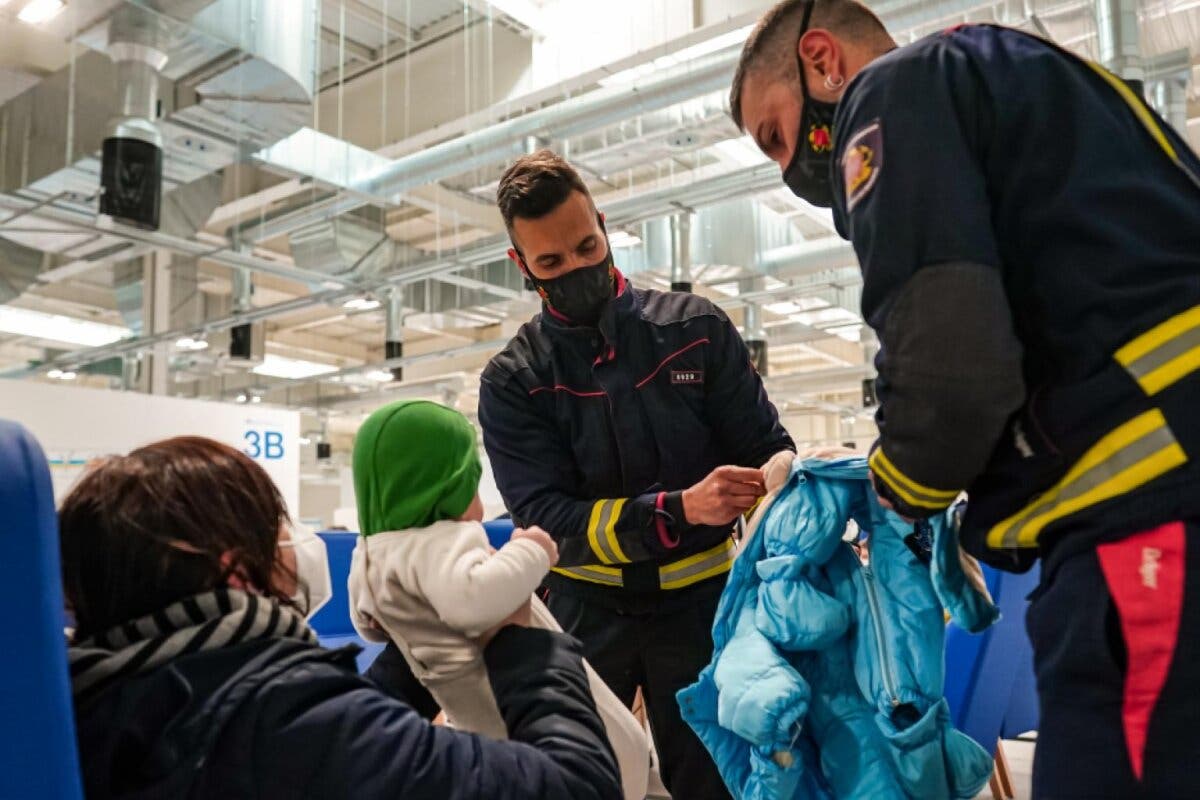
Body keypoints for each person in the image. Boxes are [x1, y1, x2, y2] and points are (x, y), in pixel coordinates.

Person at [732, 2, 1200, 797]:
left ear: (823, 61)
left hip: (1145, 518)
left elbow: (951, 372)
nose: (786, 169)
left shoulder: (894, 93)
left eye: (776, 135)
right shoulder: (1025, 79)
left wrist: (896, 489)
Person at [478, 149, 796, 799]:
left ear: (603, 222)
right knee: (579, 785)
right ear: (522, 267)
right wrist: (677, 510)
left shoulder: (697, 331)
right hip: (583, 616)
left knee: (717, 784)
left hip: (705, 613)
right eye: (551, 263)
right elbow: (546, 522)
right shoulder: (514, 380)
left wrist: (783, 476)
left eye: (587, 245)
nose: (576, 268)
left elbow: (768, 447)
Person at [60, 436, 622, 800]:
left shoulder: (97, 701)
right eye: (277, 534)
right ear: (236, 573)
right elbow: (576, 787)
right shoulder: (282, 727)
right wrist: (524, 647)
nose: (294, 547)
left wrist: (415, 651)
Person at [346, 399, 650, 799]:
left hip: (483, 729)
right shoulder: (446, 540)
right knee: (624, 748)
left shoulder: (371, 553)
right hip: (542, 711)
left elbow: (368, 626)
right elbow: (475, 602)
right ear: (450, 484)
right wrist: (533, 549)